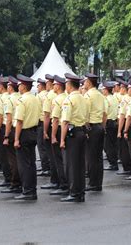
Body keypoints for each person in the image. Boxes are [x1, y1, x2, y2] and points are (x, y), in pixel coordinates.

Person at [60, 73, 88, 202]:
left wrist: (61, 140)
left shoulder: (69, 99)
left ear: (69, 85)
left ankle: (74, 192)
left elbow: (65, 121)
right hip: (81, 131)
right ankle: (80, 191)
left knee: (71, 165)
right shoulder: (83, 98)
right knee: (80, 164)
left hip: (73, 133)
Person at [13, 75, 41, 201]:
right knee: (31, 163)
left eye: (19, 85)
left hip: (24, 133)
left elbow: (19, 121)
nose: (18, 87)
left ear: (23, 86)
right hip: (33, 131)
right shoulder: (35, 99)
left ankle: (27, 191)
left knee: (24, 164)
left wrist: (16, 138)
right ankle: (32, 189)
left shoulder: (22, 100)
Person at [83, 73, 107, 191]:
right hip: (99, 127)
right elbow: (104, 114)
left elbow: (86, 114)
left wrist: (86, 129)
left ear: (89, 82)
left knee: (91, 157)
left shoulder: (88, 95)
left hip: (92, 127)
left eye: (85, 81)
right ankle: (98, 183)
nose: (84, 83)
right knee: (98, 157)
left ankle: (93, 183)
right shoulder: (100, 95)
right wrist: (102, 126)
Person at [48, 75, 69, 196]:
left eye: (55, 84)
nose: (53, 86)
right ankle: (66, 182)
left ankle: (63, 184)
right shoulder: (66, 97)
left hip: (60, 128)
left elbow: (55, 120)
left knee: (59, 159)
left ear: (58, 86)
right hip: (66, 129)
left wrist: (53, 136)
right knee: (65, 159)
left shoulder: (57, 100)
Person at [1, 77, 21, 193]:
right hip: (20, 129)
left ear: (10, 87)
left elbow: (8, 120)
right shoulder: (20, 98)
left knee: (12, 159)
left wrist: (6, 136)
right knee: (20, 159)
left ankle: (15, 183)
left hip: (12, 129)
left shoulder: (9, 100)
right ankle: (20, 182)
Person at [0, 78, 13, 190]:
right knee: (11, 156)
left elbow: (0, 117)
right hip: (13, 128)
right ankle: (12, 178)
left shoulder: (2, 98)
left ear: (2, 86)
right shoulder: (13, 97)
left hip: (5, 127)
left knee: (4, 155)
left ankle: (8, 179)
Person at [41, 74, 59, 190]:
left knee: (52, 156)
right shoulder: (62, 95)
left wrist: (45, 131)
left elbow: (47, 115)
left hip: (52, 125)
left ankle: (55, 180)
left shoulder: (49, 96)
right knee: (58, 157)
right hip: (60, 126)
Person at [116, 79, 131, 176]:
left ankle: (127, 168)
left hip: (126, 125)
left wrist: (120, 131)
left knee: (124, 149)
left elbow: (122, 116)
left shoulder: (125, 99)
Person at [103, 81, 119, 172]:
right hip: (114, 122)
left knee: (108, 145)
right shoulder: (114, 98)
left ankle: (112, 163)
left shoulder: (106, 100)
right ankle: (114, 162)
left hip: (108, 123)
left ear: (106, 90)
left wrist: (103, 126)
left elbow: (105, 114)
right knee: (114, 144)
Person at [35, 78, 50, 176]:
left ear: (41, 86)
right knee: (47, 147)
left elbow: (36, 111)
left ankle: (45, 167)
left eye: (38, 86)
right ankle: (47, 165)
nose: (37, 88)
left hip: (41, 123)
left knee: (41, 147)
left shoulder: (39, 96)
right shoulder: (48, 95)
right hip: (49, 122)